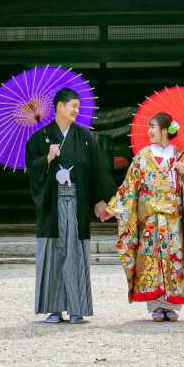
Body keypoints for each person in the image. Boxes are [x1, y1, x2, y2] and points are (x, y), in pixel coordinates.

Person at [24, 86, 116, 323]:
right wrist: (47, 157)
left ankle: (76, 308)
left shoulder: (85, 138)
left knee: (75, 252)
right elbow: (31, 170)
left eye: (78, 106)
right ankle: (54, 308)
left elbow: (97, 170)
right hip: (52, 203)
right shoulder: (38, 139)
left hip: (78, 201)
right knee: (53, 251)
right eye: (73, 105)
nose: (77, 109)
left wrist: (99, 200)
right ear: (59, 107)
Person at [105, 111, 184, 321]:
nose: (149, 131)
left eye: (153, 127)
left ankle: (171, 305)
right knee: (151, 259)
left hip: (173, 219)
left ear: (165, 130)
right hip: (150, 219)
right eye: (149, 127)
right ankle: (155, 306)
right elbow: (129, 186)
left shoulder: (179, 156)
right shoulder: (142, 157)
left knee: (173, 258)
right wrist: (112, 208)